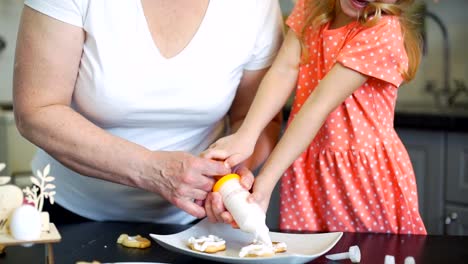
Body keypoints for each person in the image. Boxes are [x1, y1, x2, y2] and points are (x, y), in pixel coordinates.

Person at [12, 0, 284, 225]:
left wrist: (232, 174)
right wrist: (151, 169)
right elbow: (37, 110)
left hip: (194, 224)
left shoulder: (256, 6)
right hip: (67, 214)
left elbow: (256, 119)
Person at [202, 0, 427, 234]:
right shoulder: (312, 7)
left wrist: (265, 182)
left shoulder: (381, 31)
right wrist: (246, 136)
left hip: (362, 175)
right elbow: (283, 71)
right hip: (310, 167)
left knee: (368, 253)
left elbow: (317, 106)